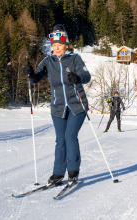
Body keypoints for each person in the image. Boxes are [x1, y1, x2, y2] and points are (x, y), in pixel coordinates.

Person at [23, 24, 91, 185]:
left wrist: (78, 77)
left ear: (66, 45)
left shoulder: (75, 58)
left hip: (77, 105)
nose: (57, 48)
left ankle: (73, 172)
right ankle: (58, 173)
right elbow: (35, 78)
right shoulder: (48, 61)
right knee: (60, 140)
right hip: (58, 107)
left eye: (60, 45)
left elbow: (86, 75)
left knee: (70, 136)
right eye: (54, 45)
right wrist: (30, 73)